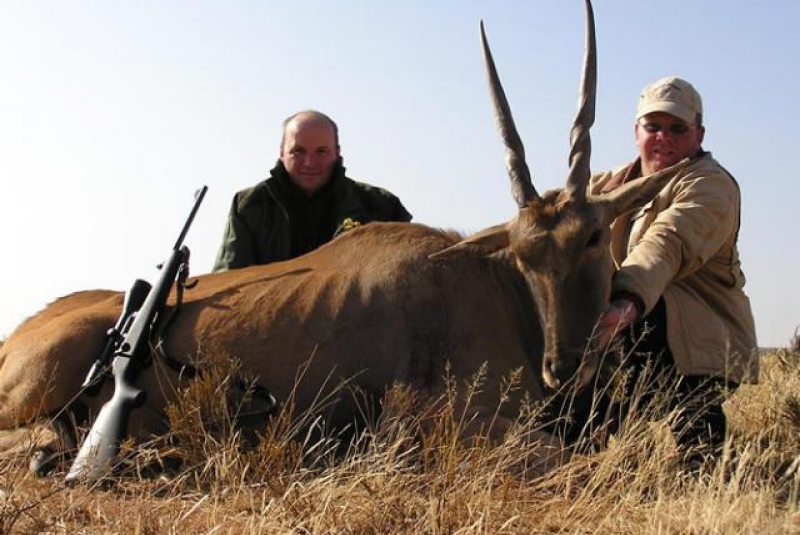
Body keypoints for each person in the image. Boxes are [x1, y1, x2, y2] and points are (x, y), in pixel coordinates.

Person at [586, 77, 758, 463]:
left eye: (678, 128)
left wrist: (627, 300)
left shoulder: (711, 186)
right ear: (636, 132)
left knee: (698, 448)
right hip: (620, 330)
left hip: (699, 343)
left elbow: (665, 244)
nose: (664, 137)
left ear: (699, 134)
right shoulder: (604, 186)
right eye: (654, 127)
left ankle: (702, 457)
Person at [213, 110, 412, 272]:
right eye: (298, 151)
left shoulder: (382, 207)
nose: (309, 163)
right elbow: (228, 281)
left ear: (337, 152)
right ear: (282, 152)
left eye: (321, 151)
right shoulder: (249, 205)